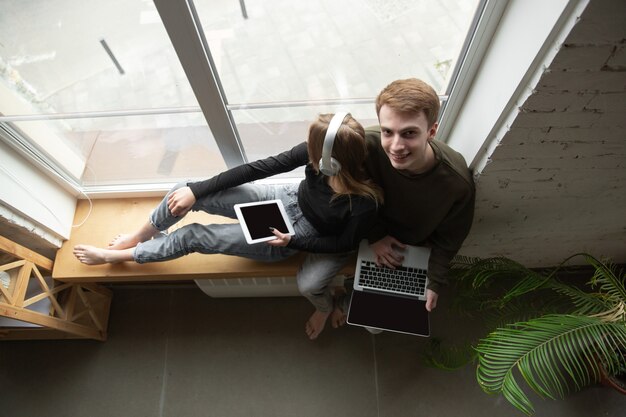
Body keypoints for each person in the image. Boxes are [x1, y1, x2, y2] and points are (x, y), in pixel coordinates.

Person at [73, 113, 383, 340]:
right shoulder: (320, 155)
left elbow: (343, 244)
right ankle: (142, 235)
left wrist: (292, 242)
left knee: (194, 237)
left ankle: (116, 257)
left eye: (313, 150)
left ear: (332, 161)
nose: (307, 152)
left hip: (301, 235)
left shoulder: (364, 203)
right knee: (186, 188)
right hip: (284, 200)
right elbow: (259, 168)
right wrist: (198, 190)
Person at [330, 78, 475, 328]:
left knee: (375, 325)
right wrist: (375, 235)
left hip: (407, 250)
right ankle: (342, 300)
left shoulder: (456, 182)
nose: (396, 146)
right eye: (388, 131)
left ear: (431, 131)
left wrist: (434, 281)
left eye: (409, 133)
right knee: (324, 277)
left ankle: (345, 304)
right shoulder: (365, 144)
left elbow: (450, 238)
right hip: (366, 230)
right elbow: (341, 189)